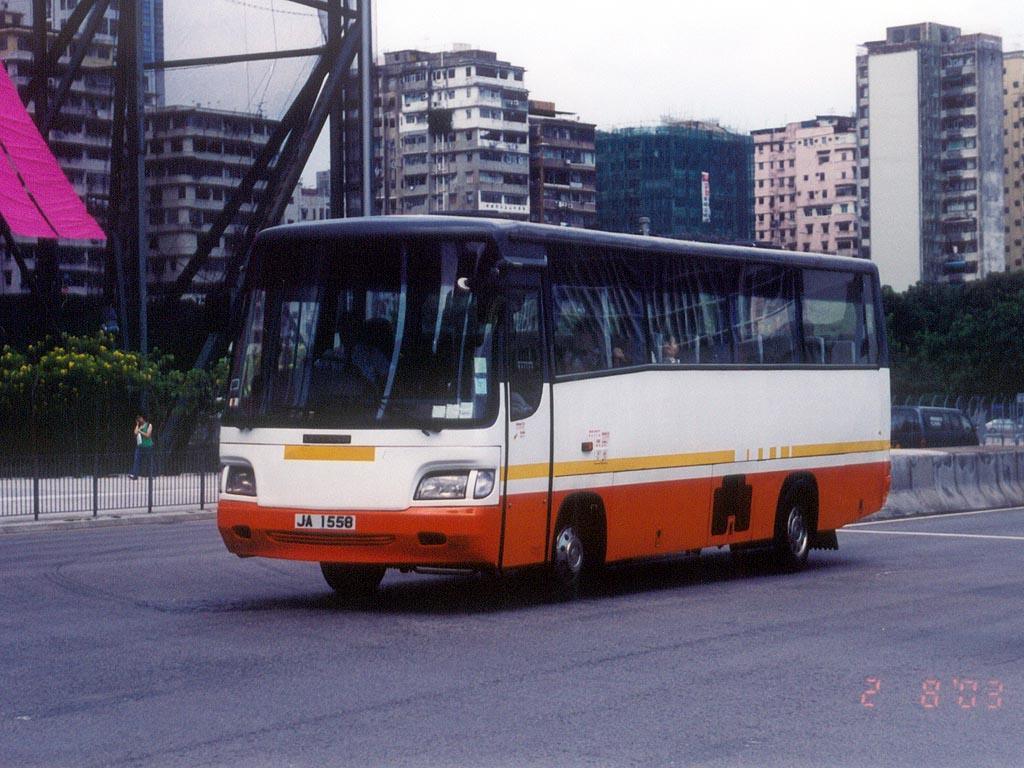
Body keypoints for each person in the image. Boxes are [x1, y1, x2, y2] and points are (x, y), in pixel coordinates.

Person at [130, 415, 154, 480]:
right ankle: (135, 475)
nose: (139, 419)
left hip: (148, 446)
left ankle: (151, 475)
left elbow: (148, 435)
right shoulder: (139, 426)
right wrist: (137, 425)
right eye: (138, 418)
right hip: (140, 446)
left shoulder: (149, 425)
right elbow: (135, 433)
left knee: (150, 461)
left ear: (143, 418)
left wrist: (140, 431)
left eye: (140, 418)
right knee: (136, 460)